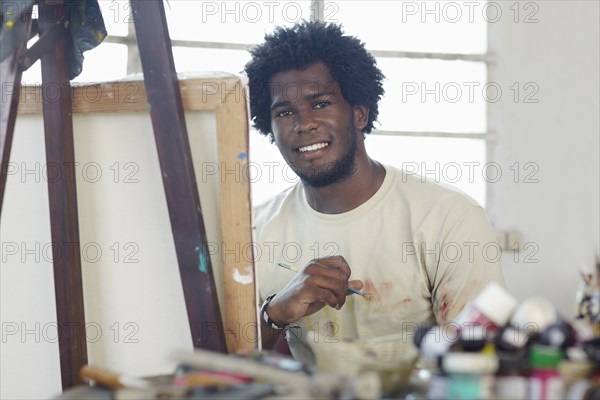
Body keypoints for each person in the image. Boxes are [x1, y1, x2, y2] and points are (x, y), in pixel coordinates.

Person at [244, 21, 505, 364]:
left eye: (320, 104)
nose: (303, 124)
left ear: (359, 114)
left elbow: (481, 358)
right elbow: (226, 363)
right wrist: (276, 312)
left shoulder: (448, 218)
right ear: (271, 129)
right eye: (285, 112)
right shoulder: (256, 229)